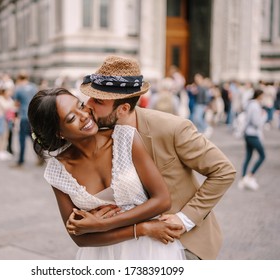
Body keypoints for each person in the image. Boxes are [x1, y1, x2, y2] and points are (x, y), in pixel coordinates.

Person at [75, 55, 236, 260]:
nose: (87, 105)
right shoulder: (95, 134)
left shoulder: (173, 128)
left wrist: (185, 219)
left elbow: (224, 170)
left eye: (97, 100)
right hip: (125, 244)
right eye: (88, 98)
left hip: (182, 242)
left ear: (123, 109)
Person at [28, 88, 186, 260]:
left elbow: (162, 200)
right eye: (71, 118)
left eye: (80, 105)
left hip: (151, 251)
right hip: (101, 255)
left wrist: (102, 224)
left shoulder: (125, 138)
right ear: (59, 132)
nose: (84, 115)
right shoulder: (57, 171)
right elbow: (78, 237)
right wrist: (141, 229)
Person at [238, 89, 267, 191]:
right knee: (262, 155)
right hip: (253, 134)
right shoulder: (255, 106)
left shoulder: (250, 104)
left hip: (247, 133)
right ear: (259, 95)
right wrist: (264, 117)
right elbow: (256, 122)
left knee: (248, 156)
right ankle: (250, 175)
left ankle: (243, 178)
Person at [13, 70, 38, 167]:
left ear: (19, 78)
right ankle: (40, 157)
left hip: (23, 116)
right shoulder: (33, 87)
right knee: (34, 138)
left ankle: (21, 160)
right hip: (32, 116)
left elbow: (16, 103)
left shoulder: (18, 89)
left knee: (22, 139)